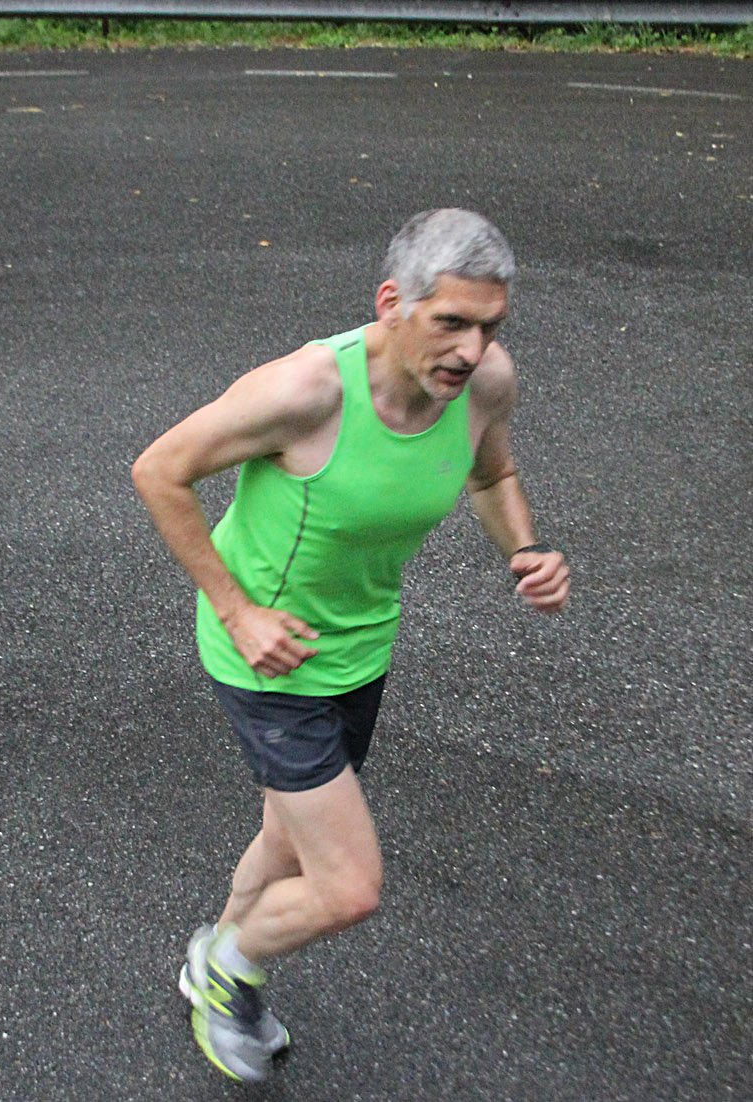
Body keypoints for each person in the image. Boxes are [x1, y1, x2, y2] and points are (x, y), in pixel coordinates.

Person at [131, 209, 570, 1084]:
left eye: (489, 327)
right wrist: (235, 611)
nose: (471, 350)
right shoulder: (305, 392)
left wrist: (522, 547)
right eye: (451, 322)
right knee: (346, 886)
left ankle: (209, 959)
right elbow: (158, 470)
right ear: (391, 304)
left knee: (288, 838)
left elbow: (491, 473)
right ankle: (229, 969)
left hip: (361, 648)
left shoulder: (482, 386)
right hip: (272, 659)